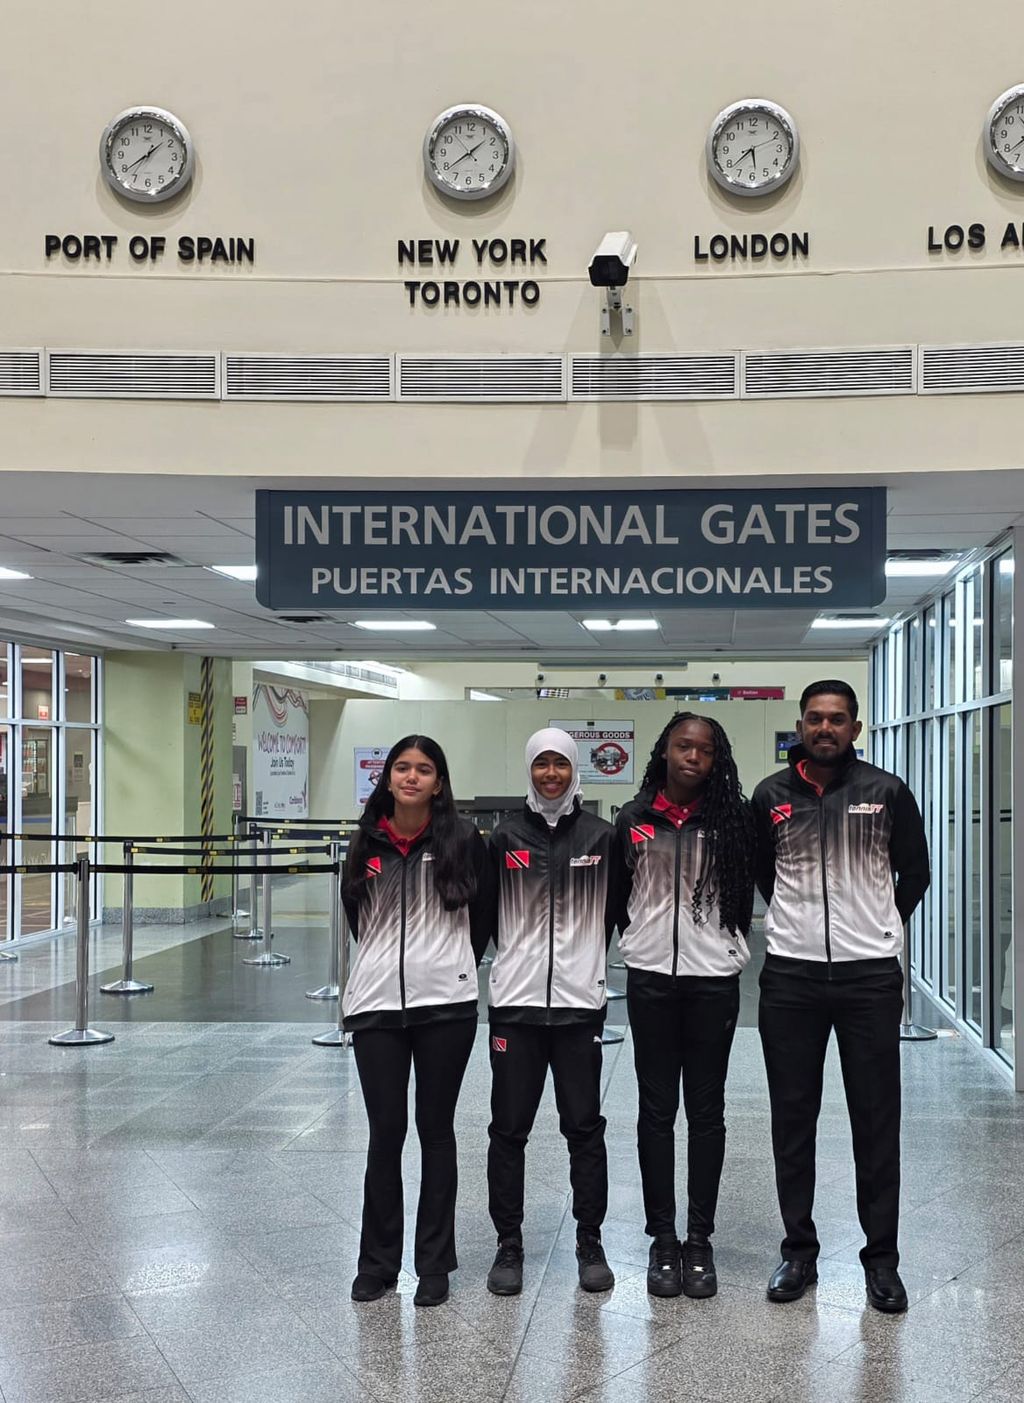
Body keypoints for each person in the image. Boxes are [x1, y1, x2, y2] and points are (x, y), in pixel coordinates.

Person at [751, 681, 930, 1314]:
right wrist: (796, 922)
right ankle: (799, 1251)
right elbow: (762, 871)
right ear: (800, 725)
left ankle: (881, 1261)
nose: (825, 728)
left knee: (876, 1121)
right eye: (815, 719)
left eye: (838, 719)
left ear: (856, 727)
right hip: (792, 978)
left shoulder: (885, 791)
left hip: (868, 980)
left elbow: (916, 871)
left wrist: (878, 925)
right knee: (792, 1119)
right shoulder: (771, 796)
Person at [341, 734, 492, 1308]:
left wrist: (448, 966)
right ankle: (376, 1263)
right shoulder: (366, 843)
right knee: (386, 1135)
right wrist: (384, 968)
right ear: (388, 779)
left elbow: (481, 920)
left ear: (439, 781)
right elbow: (359, 917)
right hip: (376, 1006)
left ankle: (433, 1262)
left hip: (444, 1009)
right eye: (401, 768)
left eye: (423, 769)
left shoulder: (461, 840)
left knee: (436, 1131)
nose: (411, 777)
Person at [615, 712, 755, 1299]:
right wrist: (639, 939)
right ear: (664, 750)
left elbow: (748, 890)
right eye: (682, 745)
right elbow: (617, 895)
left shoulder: (732, 820)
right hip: (650, 979)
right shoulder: (634, 818)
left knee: (706, 1112)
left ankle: (699, 1240)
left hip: (711, 983)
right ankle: (662, 1240)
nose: (692, 756)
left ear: (716, 757)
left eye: (704, 749)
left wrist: (724, 945)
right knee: (655, 1112)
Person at [485, 728, 623, 1297]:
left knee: (584, 1129)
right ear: (528, 769)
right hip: (515, 1009)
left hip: (578, 1010)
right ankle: (508, 1245)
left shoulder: (602, 837)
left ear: (574, 771)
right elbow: (480, 914)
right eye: (540, 763)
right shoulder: (502, 838)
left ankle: (590, 1241)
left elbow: (615, 912)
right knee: (508, 1130)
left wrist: (585, 965)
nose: (550, 774)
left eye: (559, 764)